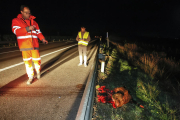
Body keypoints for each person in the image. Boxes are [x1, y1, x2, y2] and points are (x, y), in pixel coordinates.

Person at [12, 5, 48, 85]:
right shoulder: (16, 20)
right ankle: (30, 77)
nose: (28, 14)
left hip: (35, 45)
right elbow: (16, 31)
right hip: (25, 46)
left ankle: (38, 72)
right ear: (21, 12)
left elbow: (38, 32)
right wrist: (27, 29)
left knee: (37, 60)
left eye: (29, 13)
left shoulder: (34, 22)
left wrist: (43, 39)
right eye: (26, 13)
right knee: (27, 63)